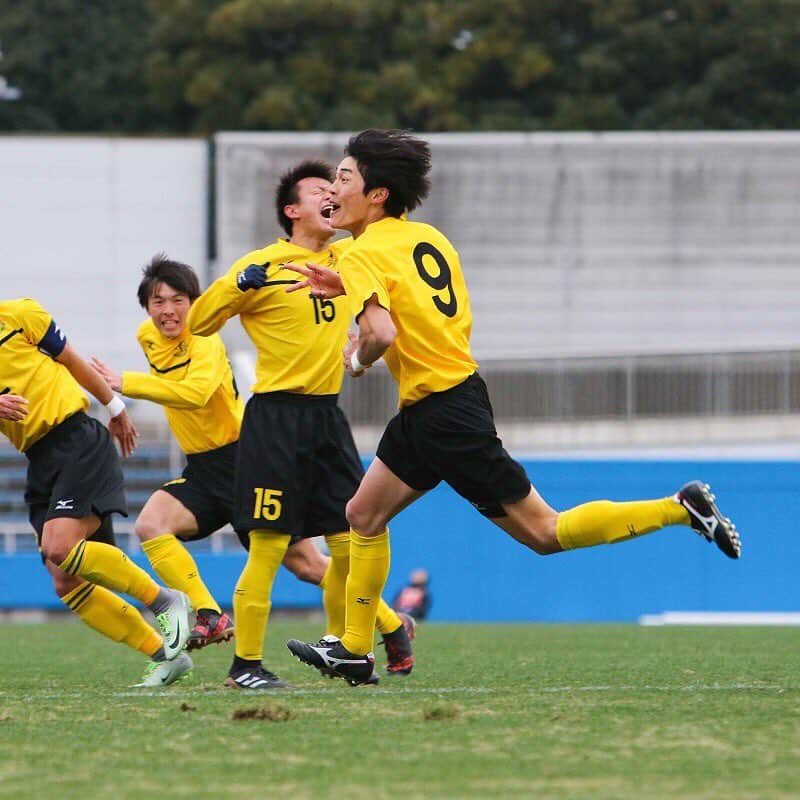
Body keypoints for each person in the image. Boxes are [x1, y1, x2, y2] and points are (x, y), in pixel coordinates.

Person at [283, 129, 742, 685]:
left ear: (377, 195)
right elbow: (418, 306)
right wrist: (352, 287)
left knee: (545, 534)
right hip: (441, 401)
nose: (335, 187)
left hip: (444, 412)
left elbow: (380, 329)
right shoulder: (426, 237)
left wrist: (357, 358)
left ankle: (679, 507)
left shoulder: (360, 252)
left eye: (345, 177)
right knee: (362, 514)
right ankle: (355, 647)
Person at [91, 254, 383, 684]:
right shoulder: (147, 337)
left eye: (178, 300)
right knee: (151, 525)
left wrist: (125, 384)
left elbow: (193, 394)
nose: (168, 310)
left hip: (242, 456)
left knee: (304, 563)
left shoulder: (206, 340)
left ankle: (390, 624)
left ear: (195, 302)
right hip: (204, 467)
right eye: (157, 302)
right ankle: (210, 614)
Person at [188, 160, 414, 688]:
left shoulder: (350, 256)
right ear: (292, 210)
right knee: (269, 546)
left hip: (326, 418)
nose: (332, 195)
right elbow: (198, 323)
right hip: (275, 419)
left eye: (337, 188)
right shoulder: (263, 265)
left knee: (347, 540)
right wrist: (234, 285)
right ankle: (245, 666)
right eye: (320, 190)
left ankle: (347, 652)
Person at [0, 297, 192, 687]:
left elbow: (72, 361)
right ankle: (164, 656)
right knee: (65, 580)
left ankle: (165, 600)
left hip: (75, 439)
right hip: (39, 459)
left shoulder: (20, 315)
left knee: (60, 548)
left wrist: (116, 406)